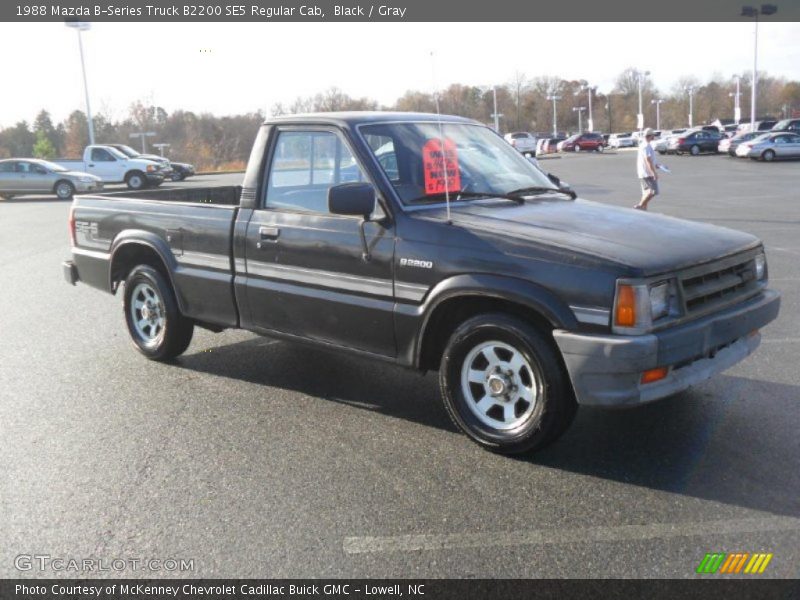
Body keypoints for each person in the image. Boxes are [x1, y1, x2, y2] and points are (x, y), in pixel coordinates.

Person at [634, 128, 661, 210]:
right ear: (650, 136)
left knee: (646, 191)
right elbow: (647, 160)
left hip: (644, 172)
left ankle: (643, 208)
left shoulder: (644, 145)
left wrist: (656, 165)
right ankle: (640, 205)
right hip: (647, 172)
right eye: (653, 135)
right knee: (654, 191)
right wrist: (654, 173)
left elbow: (650, 160)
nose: (654, 136)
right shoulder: (646, 146)